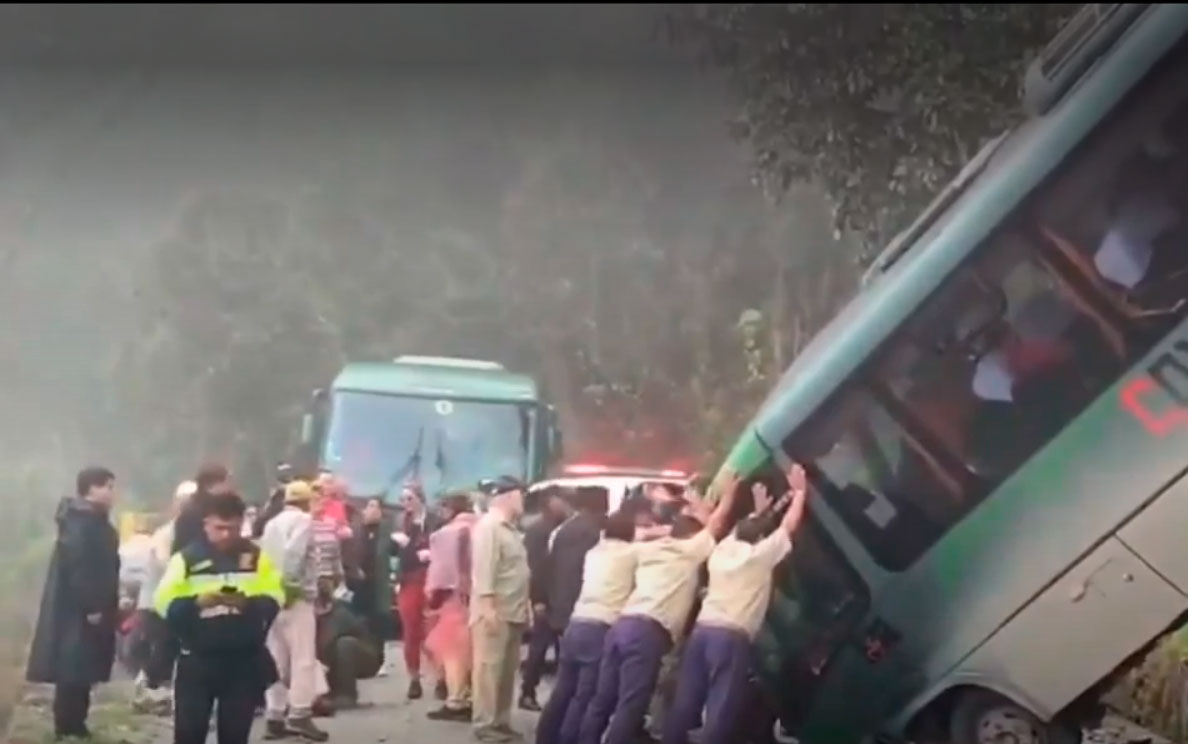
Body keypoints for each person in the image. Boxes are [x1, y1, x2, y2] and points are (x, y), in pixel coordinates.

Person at [578, 471, 740, 744]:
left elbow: (651, 531)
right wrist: (729, 495)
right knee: (631, 705)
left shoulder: (647, 549)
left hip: (621, 625)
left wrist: (691, 503)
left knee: (601, 700)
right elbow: (717, 522)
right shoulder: (689, 552)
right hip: (647, 632)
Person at [662, 464, 809, 744]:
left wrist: (758, 510)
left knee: (687, 699)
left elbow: (743, 528)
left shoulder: (722, 551)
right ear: (761, 539)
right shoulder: (759, 557)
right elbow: (789, 526)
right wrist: (800, 492)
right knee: (722, 705)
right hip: (730, 637)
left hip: (702, 632)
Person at [155, 490, 284, 744]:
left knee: (235, 734)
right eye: (220, 528)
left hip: (243, 660)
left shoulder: (256, 558)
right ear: (206, 524)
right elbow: (162, 602)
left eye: (233, 529)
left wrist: (249, 604)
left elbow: (276, 595)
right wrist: (195, 603)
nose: (226, 535)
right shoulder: (187, 559)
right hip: (197, 660)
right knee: (189, 734)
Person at [27, 466, 121, 741]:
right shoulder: (81, 523)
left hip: (87, 607)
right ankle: (69, 725)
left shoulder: (91, 521)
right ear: (91, 488)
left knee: (82, 667)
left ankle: (76, 722)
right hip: (78, 610)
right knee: (73, 668)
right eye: (108, 486)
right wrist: (92, 605)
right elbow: (80, 567)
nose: (112, 493)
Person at [535, 510, 638, 744]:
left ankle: (545, 738)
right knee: (585, 695)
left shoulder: (594, 552)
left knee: (563, 689)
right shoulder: (632, 554)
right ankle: (568, 739)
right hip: (601, 627)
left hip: (577, 621)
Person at [258, 480, 330, 742]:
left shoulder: (271, 524)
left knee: (277, 659)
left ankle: (274, 715)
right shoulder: (304, 522)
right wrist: (289, 587)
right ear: (307, 500)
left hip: (271, 598)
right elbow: (294, 554)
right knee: (303, 658)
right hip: (295, 598)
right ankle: (300, 712)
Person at [522, 488, 600, 711]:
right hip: (548, 598)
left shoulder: (558, 528)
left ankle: (545, 694)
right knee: (539, 649)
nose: (566, 508)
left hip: (556, 598)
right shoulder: (540, 530)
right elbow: (538, 567)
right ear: (551, 502)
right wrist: (538, 598)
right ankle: (529, 692)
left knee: (557, 650)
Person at [471, 476, 531, 743]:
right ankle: (484, 723)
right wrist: (487, 607)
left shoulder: (511, 529)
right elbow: (484, 570)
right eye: (521, 495)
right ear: (507, 496)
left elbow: (518, 573)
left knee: (507, 671)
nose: (524, 501)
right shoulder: (490, 527)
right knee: (488, 669)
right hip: (495, 611)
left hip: (514, 610)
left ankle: (501, 720)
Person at [135, 481, 197, 714]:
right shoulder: (167, 533)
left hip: (173, 600)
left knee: (171, 649)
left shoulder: (188, 533)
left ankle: (164, 694)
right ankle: (149, 692)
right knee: (164, 648)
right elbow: (166, 565)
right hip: (157, 603)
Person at [425, 493, 479, 722]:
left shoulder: (447, 534)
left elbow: (442, 575)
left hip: (455, 599)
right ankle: (472, 696)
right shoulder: (483, 528)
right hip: (479, 598)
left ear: (449, 509)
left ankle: (456, 699)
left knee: (450, 651)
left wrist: (432, 596)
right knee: (473, 651)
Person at [393, 483, 433, 699]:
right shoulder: (400, 521)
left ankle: (443, 676)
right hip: (408, 579)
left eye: (409, 498)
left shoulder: (433, 519)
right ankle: (414, 678)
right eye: (402, 500)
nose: (405, 504)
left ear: (420, 498)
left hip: (431, 577)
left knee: (433, 630)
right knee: (410, 630)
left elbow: (438, 545)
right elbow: (396, 553)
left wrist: (426, 551)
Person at [315, 589, 383, 710]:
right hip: (332, 659)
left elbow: (326, 647)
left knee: (345, 644)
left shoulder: (339, 614)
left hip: (365, 655)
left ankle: (346, 695)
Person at [348, 497, 394, 643]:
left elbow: (393, 553)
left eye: (376, 507)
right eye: (370, 506)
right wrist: (354, 569)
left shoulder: (386, 532)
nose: (373, 510)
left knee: (377, 624)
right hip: (357, 584)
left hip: (378, 584)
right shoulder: (355, 530)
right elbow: (348, 555)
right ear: (364, 510)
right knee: (359, 621)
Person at [172, 463, 233, 554]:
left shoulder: (222, 507)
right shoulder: (192, 514)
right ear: (210, 485)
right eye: (226, 482)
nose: (229, 486)